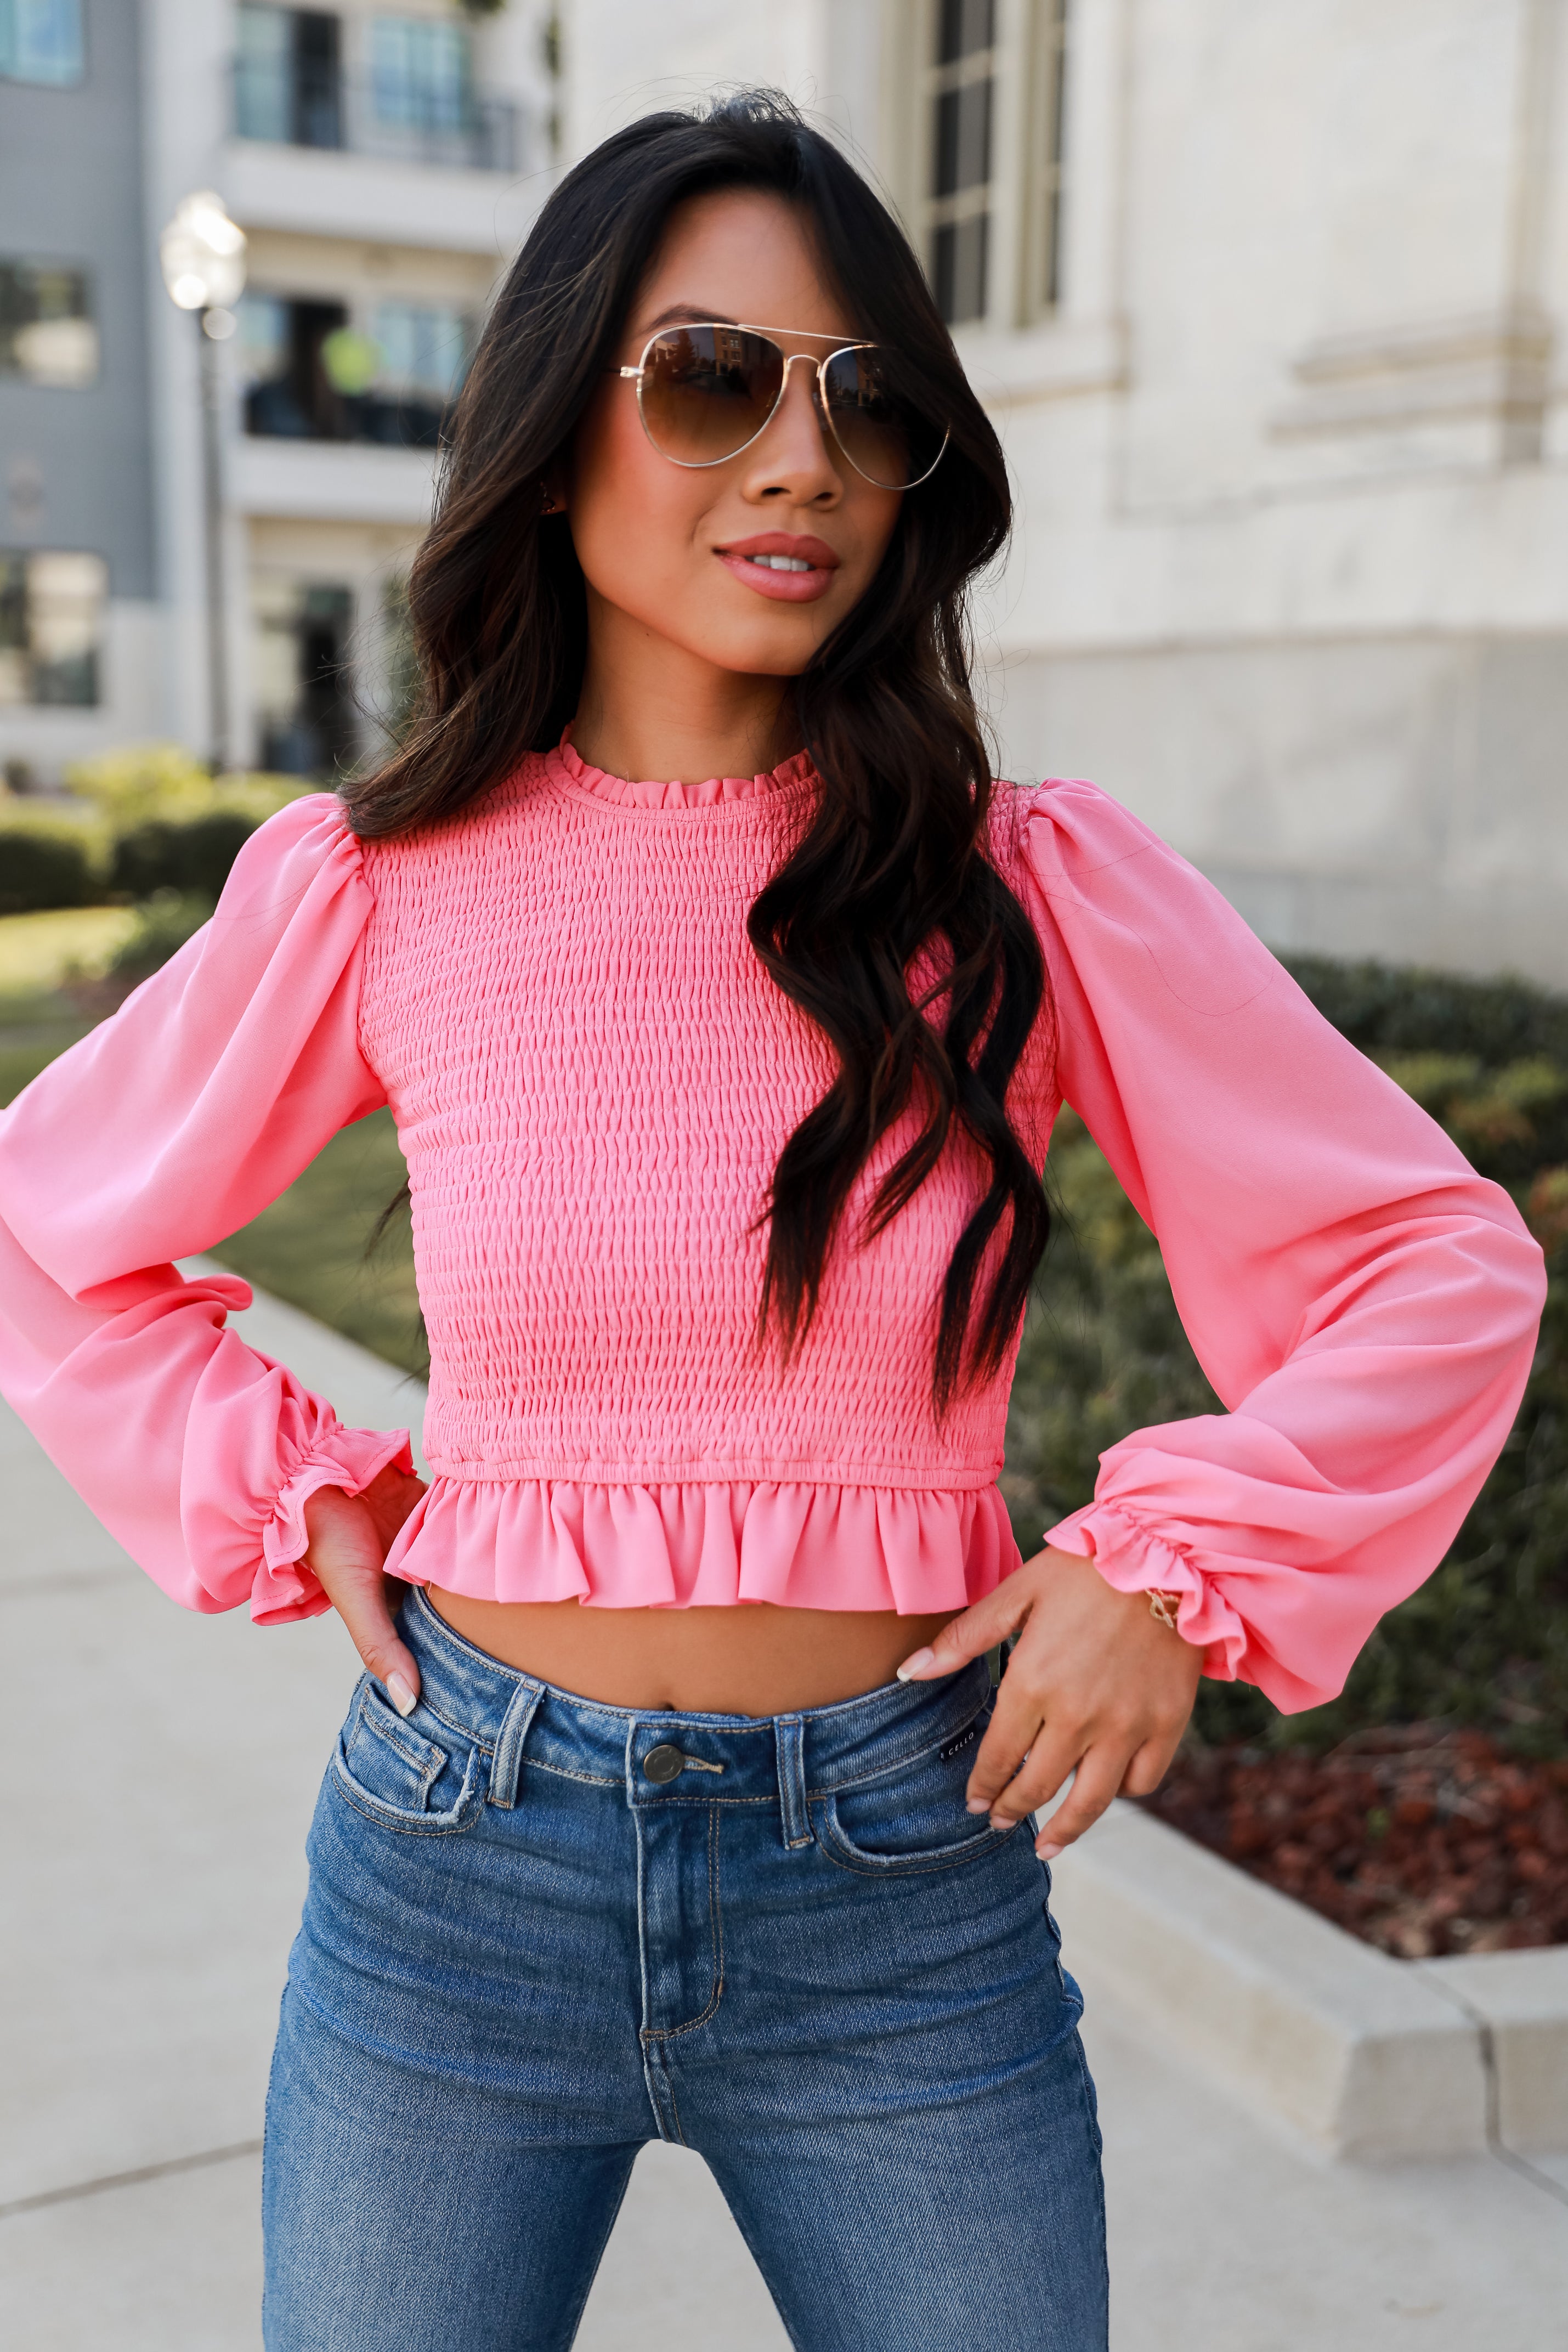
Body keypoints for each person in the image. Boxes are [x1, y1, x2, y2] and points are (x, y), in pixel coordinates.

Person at [0, 93, 1544, 2352]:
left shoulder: (1021, 881)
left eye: (868, 399)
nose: (802, 458)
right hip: (457, 1871)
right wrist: (290, 1483)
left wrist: (1161, 1566)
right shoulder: (373, 887)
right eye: (714, 379)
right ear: (552, 427)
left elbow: (1434, 1257)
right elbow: (49, 1219)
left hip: (901, 1891)